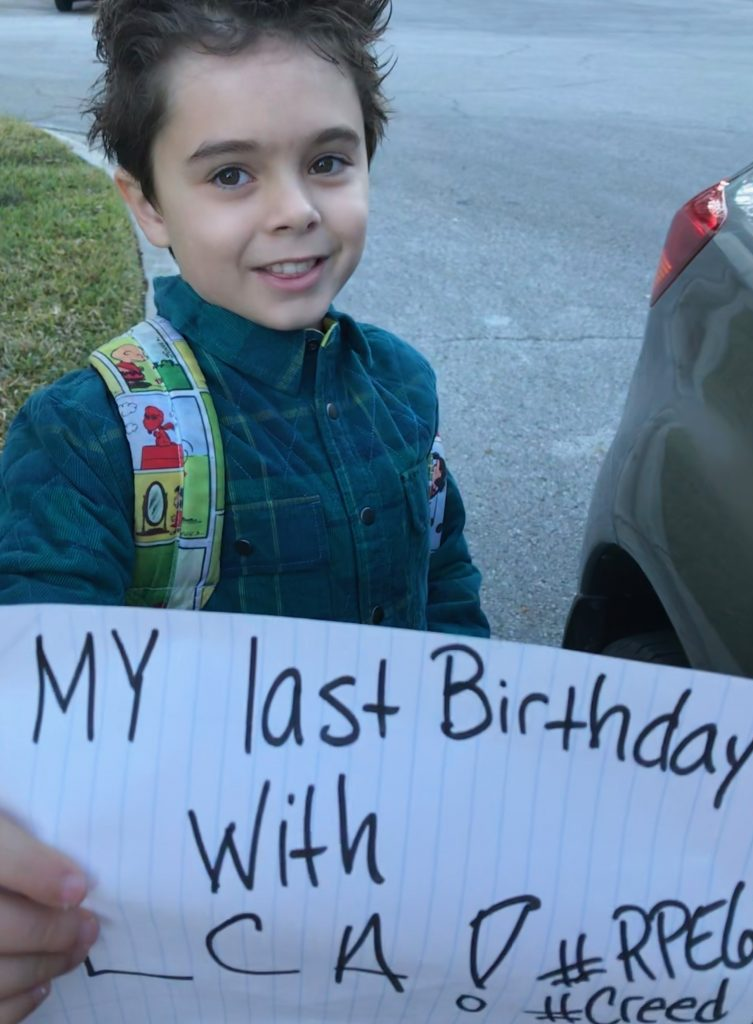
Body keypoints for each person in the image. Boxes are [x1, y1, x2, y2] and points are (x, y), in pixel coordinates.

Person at [0, 0, 489, 1016]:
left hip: (390, 911)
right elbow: (34, 713)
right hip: (185, 944)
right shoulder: (91, 434)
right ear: (146, 205)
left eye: (327, 160)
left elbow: (442, 577)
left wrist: (479, 739)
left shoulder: (400, 384)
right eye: (230, 174)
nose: (293, 210)